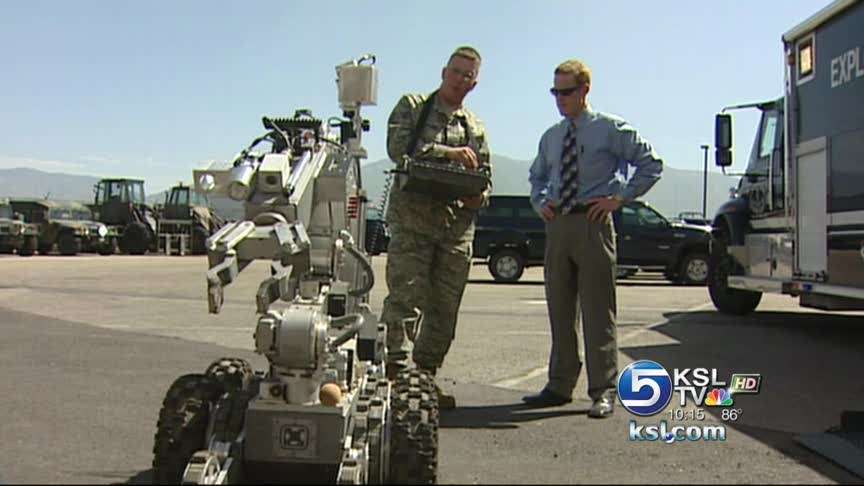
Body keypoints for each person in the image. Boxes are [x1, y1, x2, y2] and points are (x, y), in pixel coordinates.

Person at [523, 59, 662, 417]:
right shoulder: (552, 137)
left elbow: (651, 163)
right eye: (555, 91)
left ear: (585, 90)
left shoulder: (610, 129)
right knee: (559, 308)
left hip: (593, 224)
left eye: (566, 91)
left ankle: (603, 390)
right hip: (558, 227)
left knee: (599, 310)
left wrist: (620, 199)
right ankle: (559, 384)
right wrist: (541, 203)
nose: (560, 98)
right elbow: (536, 177)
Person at [380, 46, 492, 409]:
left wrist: (479, 197)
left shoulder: (474, 126)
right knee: (404, 302)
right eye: (456, 71)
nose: (460, 79)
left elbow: (484, 178)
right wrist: (449, 155)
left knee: (444, 310)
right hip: (413, 226)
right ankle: (394, 380)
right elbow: (400, 149)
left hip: (456, 232)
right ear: (444, 71)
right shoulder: (414, 106)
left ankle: (423, 381)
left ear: (474, 83)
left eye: (468, 75)